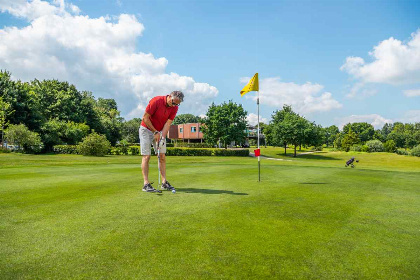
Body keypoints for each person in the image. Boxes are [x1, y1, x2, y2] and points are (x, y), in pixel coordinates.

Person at [139, 91, 184, 192]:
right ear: (169, 96)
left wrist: (163, 138)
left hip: (159, 131)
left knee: (162, 156)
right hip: (146, 129)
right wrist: (155, 132)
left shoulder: (174, 108)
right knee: (147, 156)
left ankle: (164, 182)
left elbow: (167, 124)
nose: (174, 105)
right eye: (173, 103)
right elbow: (145, 118)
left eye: (177, 104)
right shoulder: (156, 101)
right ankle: (146, 184)